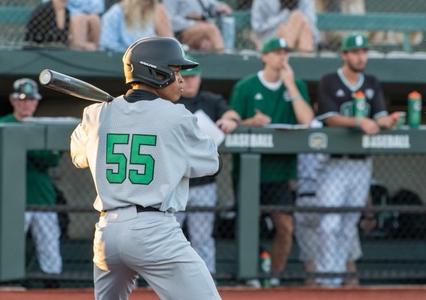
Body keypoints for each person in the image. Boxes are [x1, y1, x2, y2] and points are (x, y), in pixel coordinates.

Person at [70, 37, 221, 300]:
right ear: (155, 72)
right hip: (153, 230)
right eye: (175, 72)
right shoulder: (178, 115)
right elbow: (210, 163)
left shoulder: (96, 114)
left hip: (107, 235)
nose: (181, 79)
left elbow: (78, 156)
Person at [315, 33, 398, 286]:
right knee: (329, 222)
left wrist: (386, 121)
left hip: (362, 164)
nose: (361, 57)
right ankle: (324, 278)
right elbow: (329, 117)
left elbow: (379, 115)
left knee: (349, 225)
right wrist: (360, 122)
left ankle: (336, 279)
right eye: (355, 52)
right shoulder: (329, 80)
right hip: (335, 163)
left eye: (364, 52)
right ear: (344, 55)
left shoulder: (372, 81)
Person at [230, 37, 314, 287]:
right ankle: (251, 274)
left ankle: (274, 277)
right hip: (250, 172)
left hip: (281, 171)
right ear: (264, 56)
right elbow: (232, 123)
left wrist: (290, 84)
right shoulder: (246, 86)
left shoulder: (295, 85)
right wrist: (250, 123)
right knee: (248, 225)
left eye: (285, 52)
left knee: (285, 226)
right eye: (276, 52)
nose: (282, 57)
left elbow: (307, 121)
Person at [175, 59, 240, 276]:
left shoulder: (211, 100)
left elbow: (231, 114)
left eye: (194, 76)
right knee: (169, 236)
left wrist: (230, 120)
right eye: (186, 77)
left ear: (200, 77)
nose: (190, 81)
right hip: (175, 183)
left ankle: (206, 279)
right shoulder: (170, 101)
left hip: (204, 183)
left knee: (202, 237)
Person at [0, 79, 63, 278]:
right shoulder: (4, 124)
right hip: (9, 199)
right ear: (13, 101)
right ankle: (7, 282)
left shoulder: (42, 126)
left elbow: (52, 158)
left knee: (49, 245)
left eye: (30, 100)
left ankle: (53, 286)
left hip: (41, 195)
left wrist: (30, 151)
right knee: (8, 244)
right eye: (21, 99)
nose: (26, 103)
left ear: (36, 102)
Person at [100, 0, 173, 52]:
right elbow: (108, 45)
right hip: (120, 63)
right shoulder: (114, 14)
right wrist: (134, 54)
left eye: (149, 2)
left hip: (145, 63)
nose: (147, 4)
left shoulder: (148, 16)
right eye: (144, 1)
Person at [163, 0, 232, 51]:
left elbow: (212, 5)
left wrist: (219, 8)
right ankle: (223, 59)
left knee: (208, 42)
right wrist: (193, 23)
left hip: (204, 28)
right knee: (211, 29)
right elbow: (169, 20)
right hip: (182, 32)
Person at [251, 0, 318, 52]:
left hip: (300, 38)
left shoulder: (305, 1)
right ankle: (303, 66)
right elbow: (257, 27)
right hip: (269, 37)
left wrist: (294, 26)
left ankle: (284, 59)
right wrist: (284, 17)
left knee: (300, 22)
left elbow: (312, 29)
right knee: (295, 18)